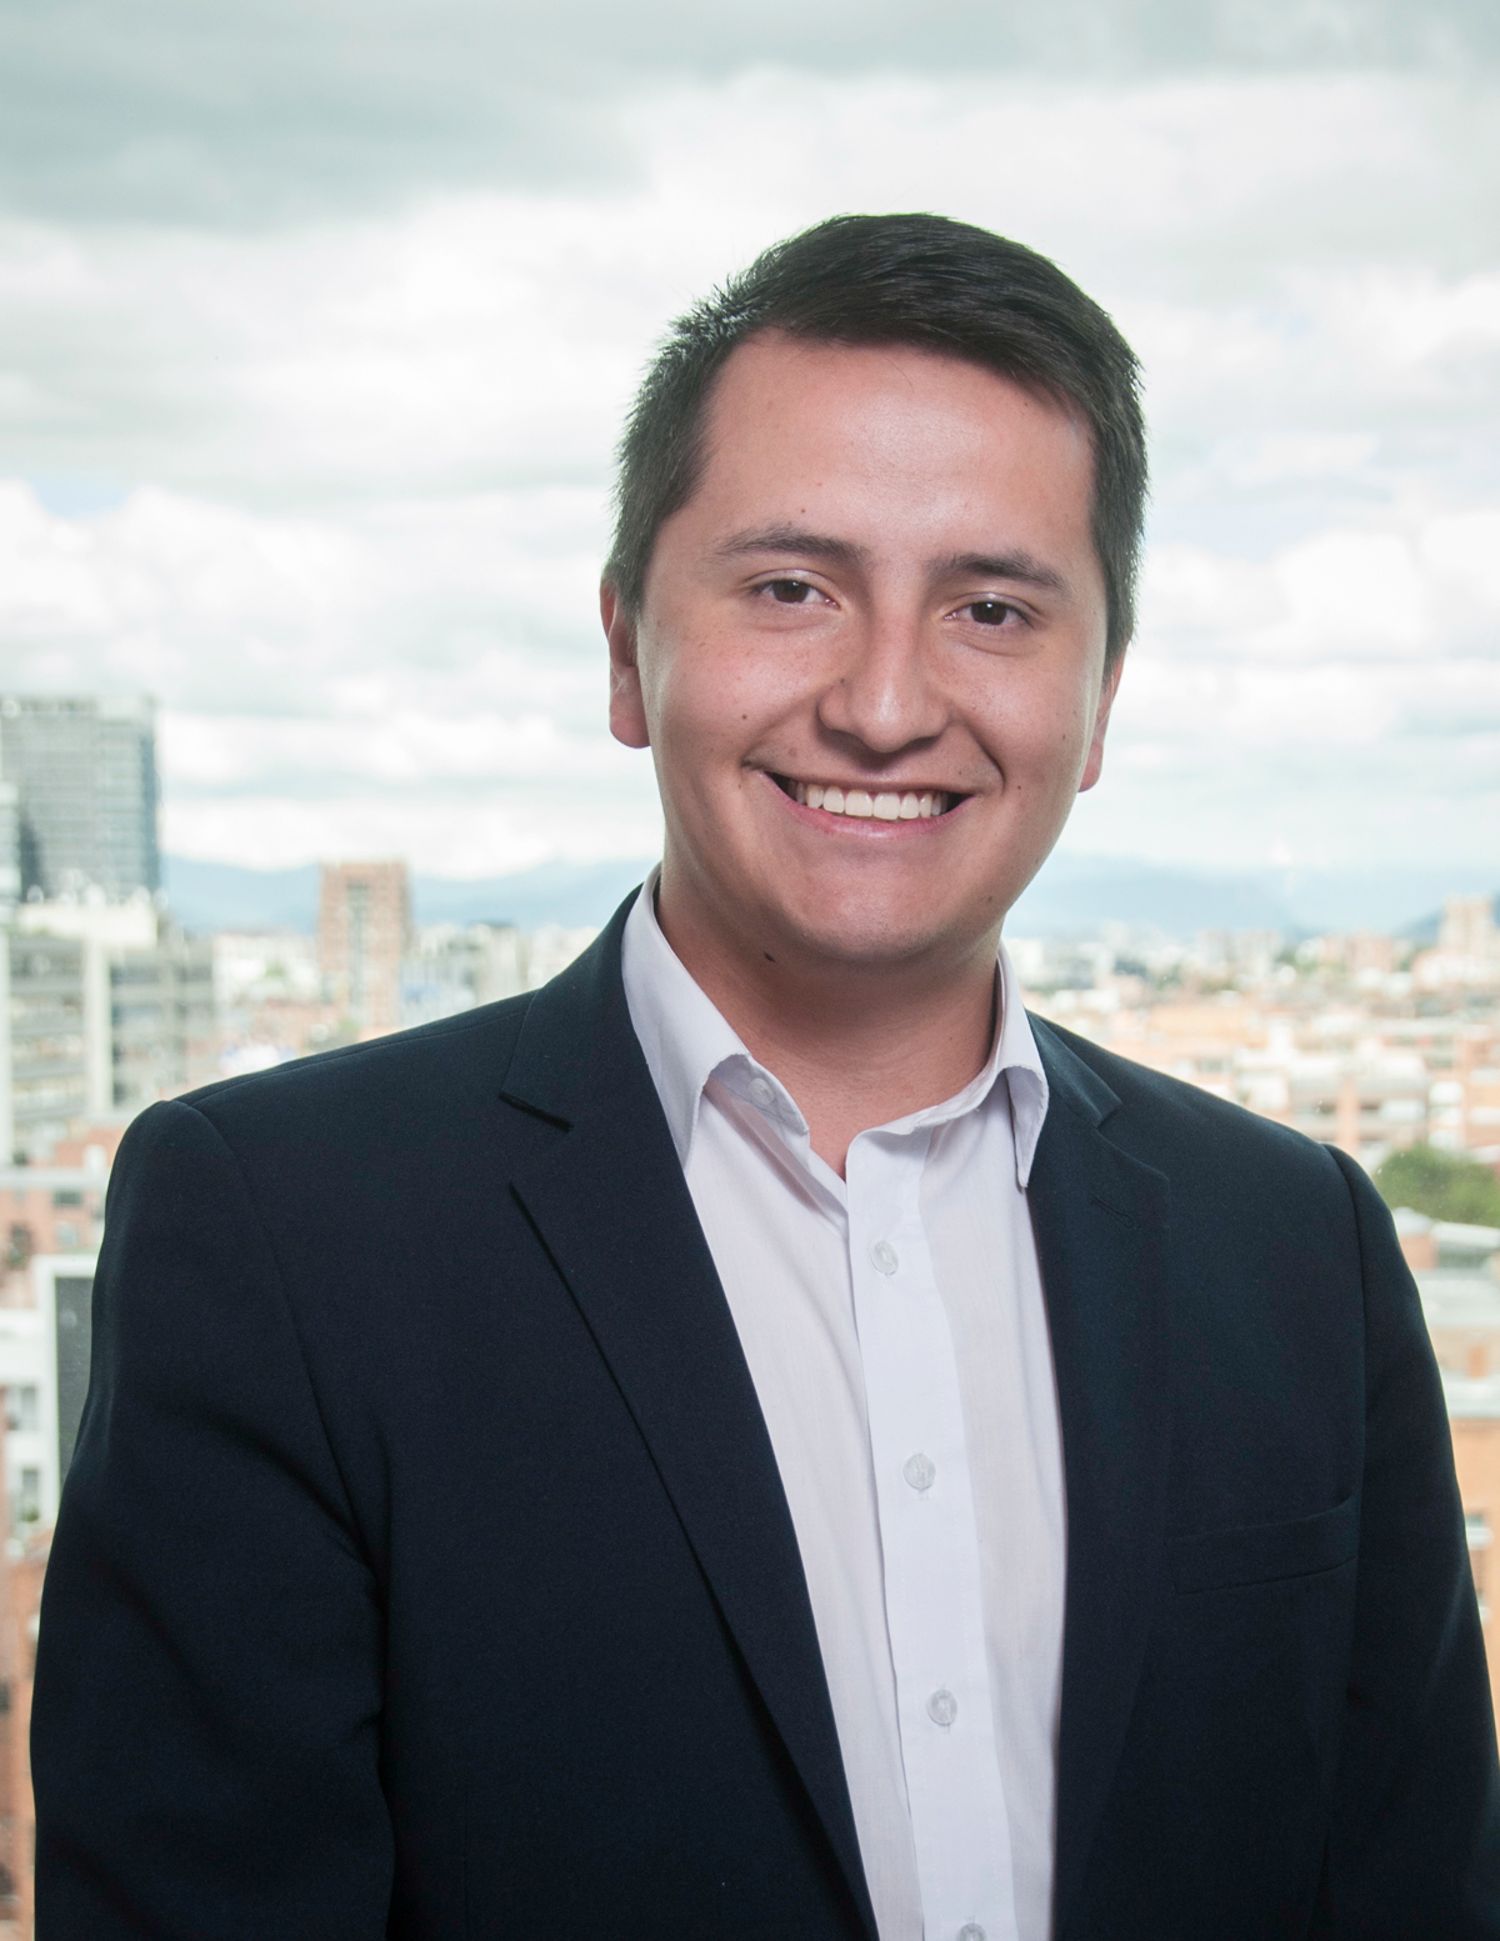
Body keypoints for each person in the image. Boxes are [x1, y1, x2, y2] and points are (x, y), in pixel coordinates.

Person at [31, 214, 1500, 1939]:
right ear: (623, 649)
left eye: (993, 607)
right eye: (792, 588)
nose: (884, 703)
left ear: (1101, 698)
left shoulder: (1298, 1247)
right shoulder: (282, 1237)